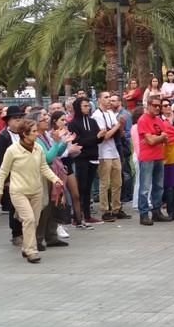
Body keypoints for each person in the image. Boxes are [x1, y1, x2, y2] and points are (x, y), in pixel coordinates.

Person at [0, 119, 63, 263]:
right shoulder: (12, 150)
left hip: (36, 190)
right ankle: (32, 251)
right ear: (24, 134)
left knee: (34, 221)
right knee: (29, 219)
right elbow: (3, 171)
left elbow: (43, 167)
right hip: (18, 191)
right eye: (34, 131)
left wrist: (55, 179)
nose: (37, 134)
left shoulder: (38, 148)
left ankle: (26, 247)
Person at [26, 110, 70, 250]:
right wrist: (58, 143)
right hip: (42, 175)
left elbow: (57, 153)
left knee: (52, 206)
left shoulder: (44, 135)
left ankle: (51, 236)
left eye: (46, 116)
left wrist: (63, 143)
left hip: (51, 173)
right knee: (44, 207)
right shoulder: (36, 138)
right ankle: (38, 239)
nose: (47, 119)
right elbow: (47, 158)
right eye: (43, 118)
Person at [0, 106, 26, 244]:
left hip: (26, 176)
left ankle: (27, 232)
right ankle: (16, 234)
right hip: (11, 178)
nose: (19, 122)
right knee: (15, 207)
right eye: (16, 119)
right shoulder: (2, 137)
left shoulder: (25, 133)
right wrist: (4, 181)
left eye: (21, 119)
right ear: (9, 121)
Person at [68, 98, 105, 225]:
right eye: (84, 106)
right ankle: (77, 216)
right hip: (81, 158)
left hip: (93, 157)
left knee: (88, 187)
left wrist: (100, 136)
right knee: (81, 187)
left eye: (88, 106)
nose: (88, 108)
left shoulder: (92, 121)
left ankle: (87, 215)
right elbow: (78, 142)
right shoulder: (73, 124)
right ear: (78, 107)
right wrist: (96, 137)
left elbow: (97, 140)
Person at [92, 91, 128, 222]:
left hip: (114, 151)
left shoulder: (110, 113)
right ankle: (105, 210)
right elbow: (105, 135)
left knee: (117, 182)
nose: (109, 100)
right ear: (99, 100)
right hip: (103, 153)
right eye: (106, 98)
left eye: (110, 98)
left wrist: (115, 127)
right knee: (104, 183)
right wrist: (117, 125)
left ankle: (116, 208)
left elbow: (116, 131)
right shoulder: (97, 115)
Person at [50, 111, 87, 231]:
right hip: (58, 166)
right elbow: (56, 153)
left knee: (75, 194)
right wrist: (69, 150)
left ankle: (79, 219)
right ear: (55, 121)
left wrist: (75, 151)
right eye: (62, 120)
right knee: (60, 195)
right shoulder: (52, 135)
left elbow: (69, 150)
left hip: (68, 164)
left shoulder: (66, 133)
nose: (64, 122)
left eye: (65, 120)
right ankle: (60, 222)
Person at [137, 95, 169, 225]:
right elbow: (150, 141)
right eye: (154, 105)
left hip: (158, 156)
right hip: (147, 157)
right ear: (148, 105)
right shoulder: (143, 120)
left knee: (159, 186)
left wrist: (157, 138)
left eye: (159, 106)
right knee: (145, 187)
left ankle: (156, 211)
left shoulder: (159, 120)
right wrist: (159, 137)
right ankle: (143, 214)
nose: (157, 108)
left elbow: (165, 138)